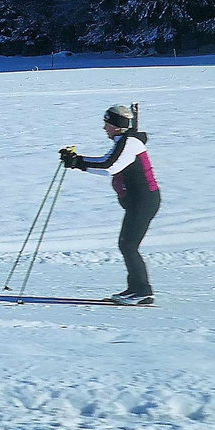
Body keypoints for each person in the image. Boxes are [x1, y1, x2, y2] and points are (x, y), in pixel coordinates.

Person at [60, 104, 160, 305]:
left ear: (116, 125)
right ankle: (134, 289)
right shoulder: (126, 140)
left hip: (143, 200)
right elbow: (108, 163)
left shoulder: (130, 142)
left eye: (107, 124)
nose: (104, 128)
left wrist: (78, 163)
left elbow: (110, 167)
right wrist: (77, 162)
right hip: (137, 200)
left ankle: (143, 291)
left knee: (128, 245)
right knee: (127, 244)